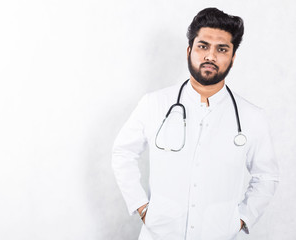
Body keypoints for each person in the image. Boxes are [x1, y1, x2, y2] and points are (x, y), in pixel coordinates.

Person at [111, 7, 279, 240]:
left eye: (222, 49)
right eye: (203, 46)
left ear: (233, 57)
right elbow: (122, 153)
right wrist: (140, 206)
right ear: (189, 49)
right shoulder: (154, 104)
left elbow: (266, 177)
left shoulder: (252, 117)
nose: (211, 56)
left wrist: (242, 219)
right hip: (159, 234)